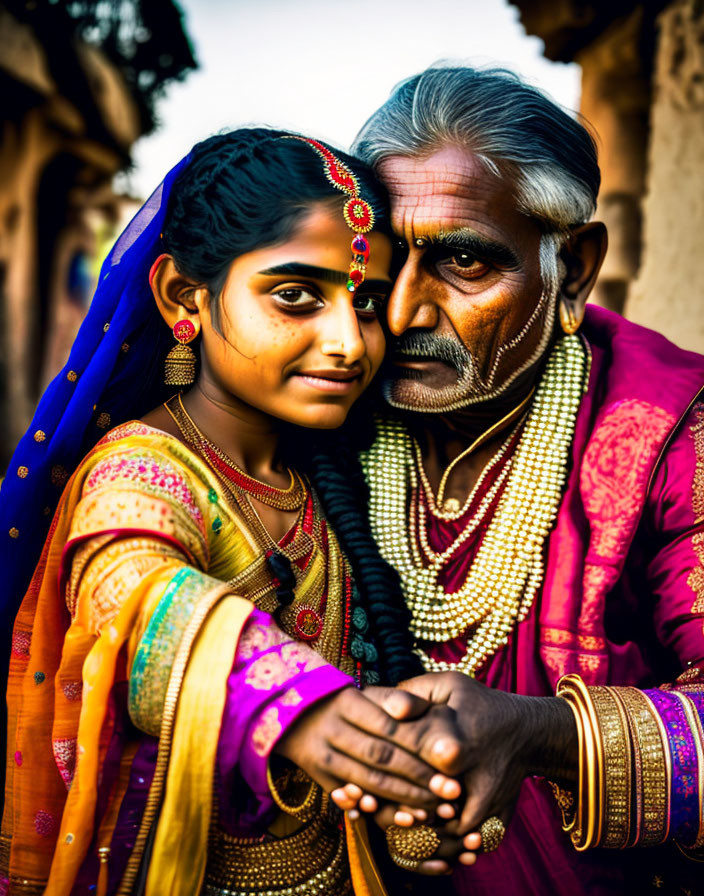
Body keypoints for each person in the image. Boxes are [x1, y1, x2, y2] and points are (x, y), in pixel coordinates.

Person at [0, 129, 469, 896]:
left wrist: (407, 790)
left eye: (369, 304)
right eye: (296, 297)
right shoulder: (141, 468)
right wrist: (292, 705)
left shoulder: (321, 476)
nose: (349, 343)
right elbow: (137, 592)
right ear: (185, 298)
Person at [328, 66, 704, 894]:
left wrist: (543, 735)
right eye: (389, 261)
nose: (401, 315)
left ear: (571, 270)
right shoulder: (323, 406)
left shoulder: (671, 431)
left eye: (463, 261)